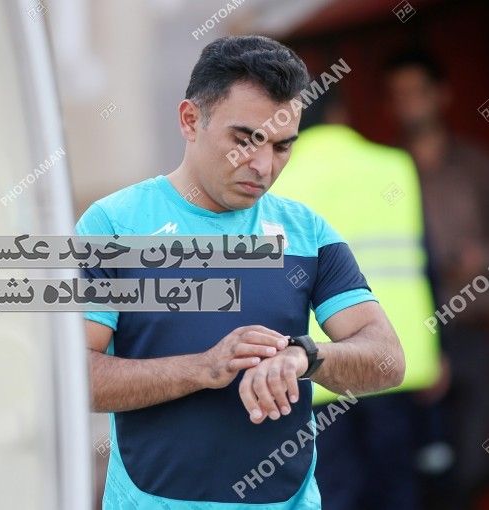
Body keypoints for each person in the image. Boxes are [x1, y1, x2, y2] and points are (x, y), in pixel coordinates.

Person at [76, 35, 405, 509]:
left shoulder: (307, 232)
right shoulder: (113, 225)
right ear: (190, 120)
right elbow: (75, 378)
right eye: (245, 139)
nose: (263, 166)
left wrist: (306, 357)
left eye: (282, 146)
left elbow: (388, 361)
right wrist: (203, 368)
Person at [269, 91, 441, 510]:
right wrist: (441, 350)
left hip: (315, 369)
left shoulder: (277, 179)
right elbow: (427, 260)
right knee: (398, 489)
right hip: (395, 362)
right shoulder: (394, 165)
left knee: (334, 493)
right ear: (341, 112)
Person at [385, 49, 489, 508]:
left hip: (474, 330)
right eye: (399, 94)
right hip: (411, 341)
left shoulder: (475, 165)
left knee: (473, 460)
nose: (409, 102)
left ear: (442, 95)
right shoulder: (387, 169)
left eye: (418, 90)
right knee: (418, 465)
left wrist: (480, 257)